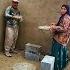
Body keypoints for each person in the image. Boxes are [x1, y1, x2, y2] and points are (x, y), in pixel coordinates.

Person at [50, 4, 70, 70]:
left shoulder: (66, 17)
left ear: (67, 10)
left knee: (58, 52)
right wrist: (55, 24)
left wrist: (55, 27)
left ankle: (58, 67)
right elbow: (61, 25)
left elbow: (64, 28)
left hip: (62, 38)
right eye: (62, 8)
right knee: (58, 51)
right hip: (59, 37)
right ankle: (57, 65)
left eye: (64, 9)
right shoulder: (63, 16)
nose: (62, 10)